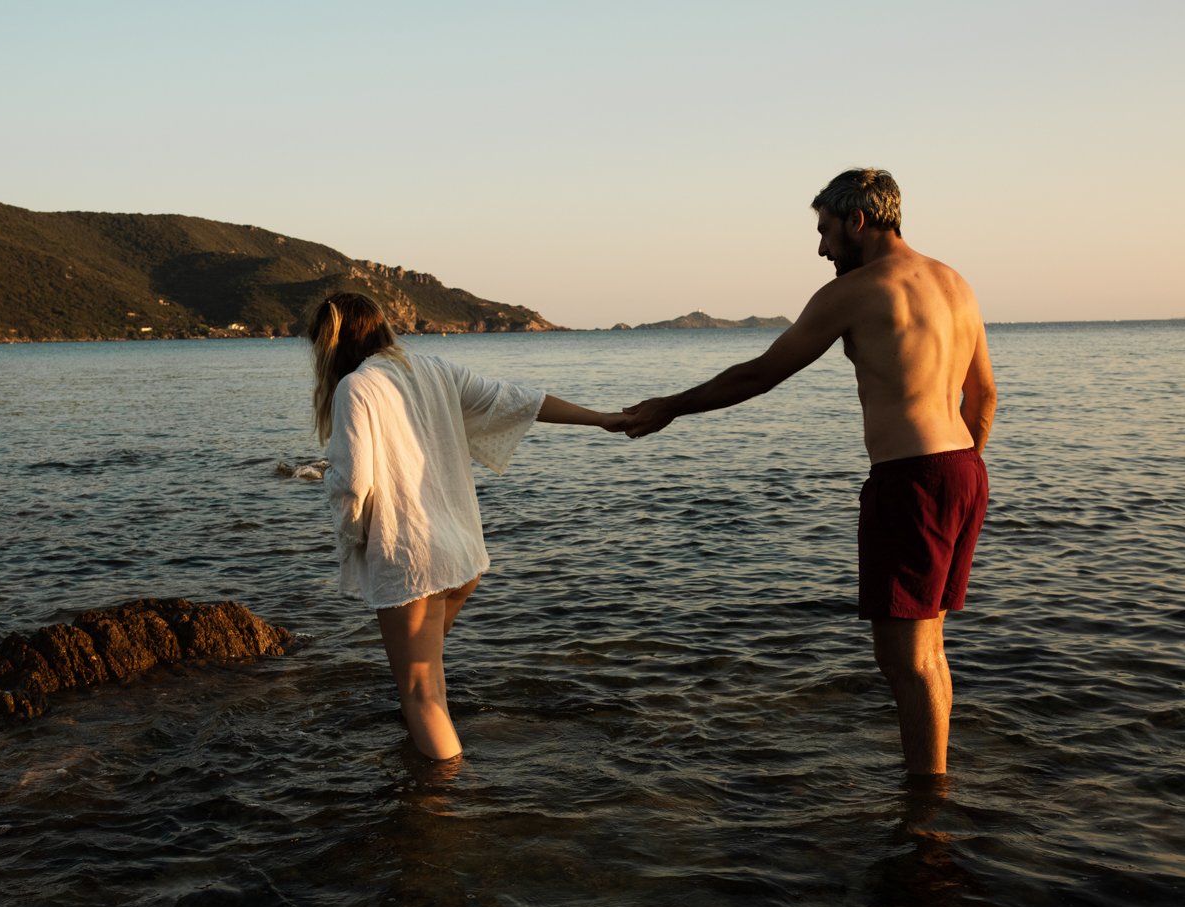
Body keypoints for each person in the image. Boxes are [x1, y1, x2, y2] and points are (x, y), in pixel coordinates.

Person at [622, 168, 997, 776]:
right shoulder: (955, 283)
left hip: (912, 479)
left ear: (859, 220)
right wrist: (960, 470)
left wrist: (671, 406)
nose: (821, 247)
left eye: (825, 230)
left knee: (906, 659)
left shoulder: (857, 290)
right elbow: (984, 398)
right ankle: (932, 787)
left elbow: (761, 373)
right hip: (963, 471)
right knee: (930, 650)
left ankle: (927, 809)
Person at [308, 292, 626, 761]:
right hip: (460, 558)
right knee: (425, 690)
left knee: (421, 696)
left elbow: (354, 483)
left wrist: (352, 533)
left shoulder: (356, 387)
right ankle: (424, 763)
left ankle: (448, 806)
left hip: (412, 563)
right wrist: (604, 419)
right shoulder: (434, 368)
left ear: (330, 341)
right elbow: (522, 401)